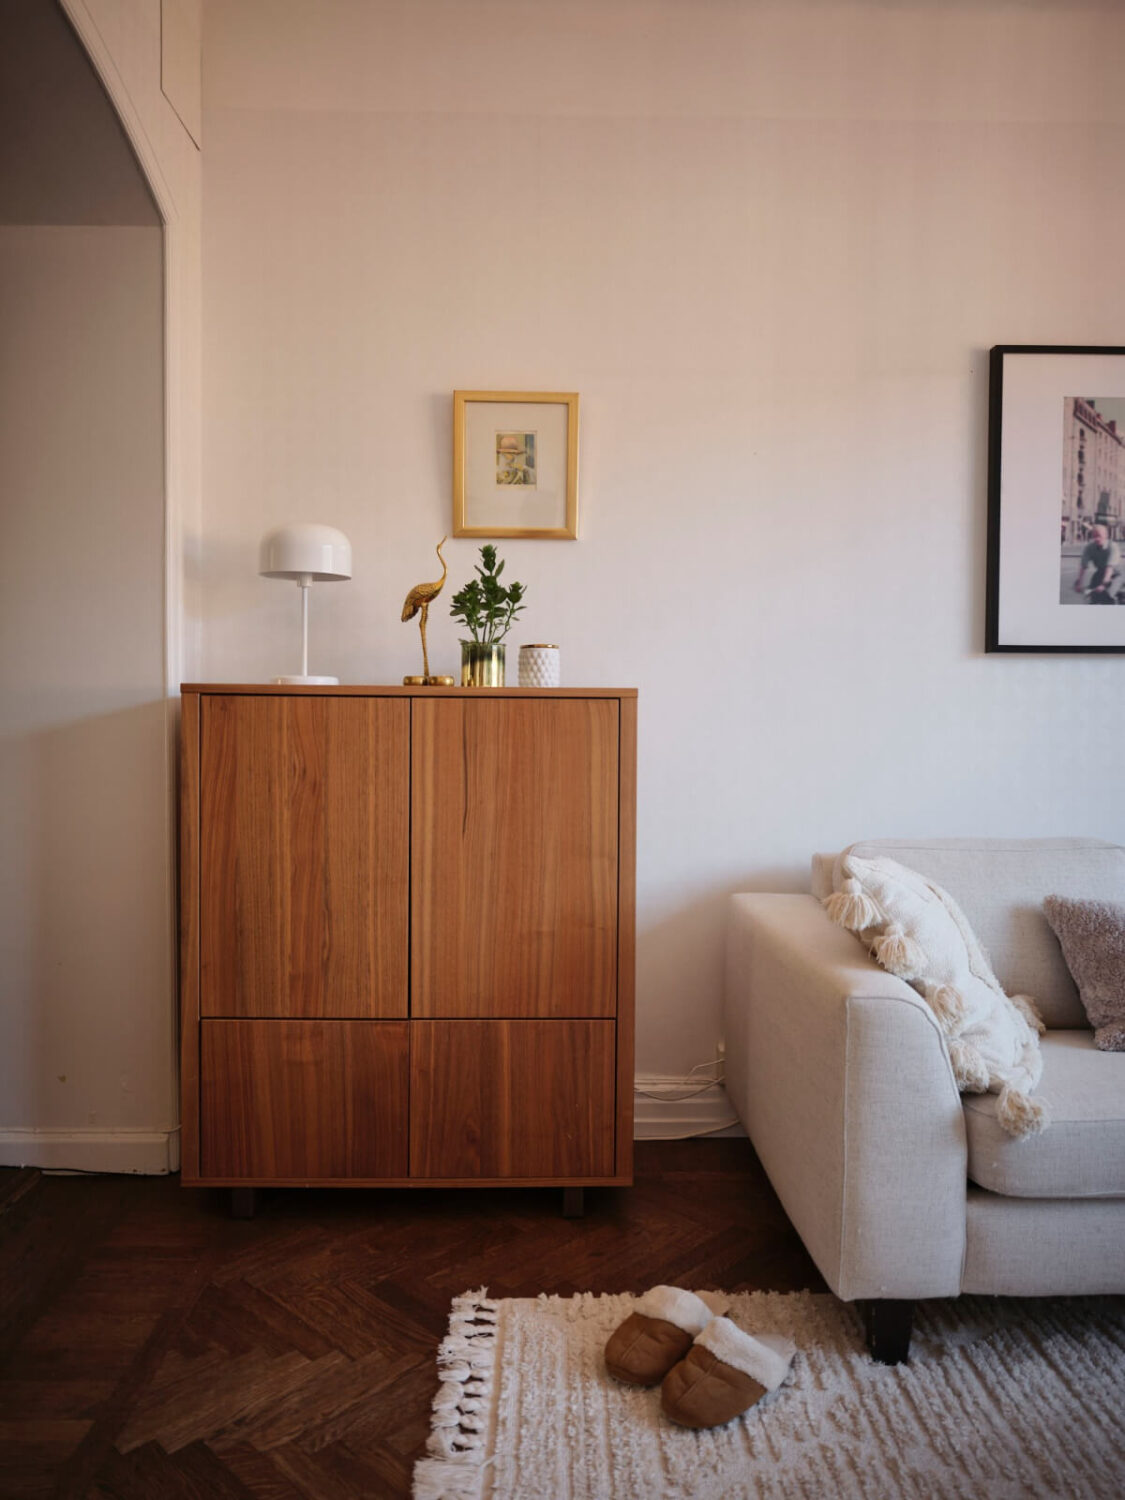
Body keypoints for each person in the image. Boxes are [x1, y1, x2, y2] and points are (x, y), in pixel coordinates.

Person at [1073, 523, 1121, 603]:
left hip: (1116, 574)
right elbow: (1083, 566)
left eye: (1099, 536)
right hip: (1100, 573)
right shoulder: (1089, 547)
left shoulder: (1113, 546)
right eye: (1094, 536)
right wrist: (1079, 582)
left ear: (1106, 536)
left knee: (1108, 594)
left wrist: (1103, 584)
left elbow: (1109, 568)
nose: (1097, 539)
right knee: (1091, 594)